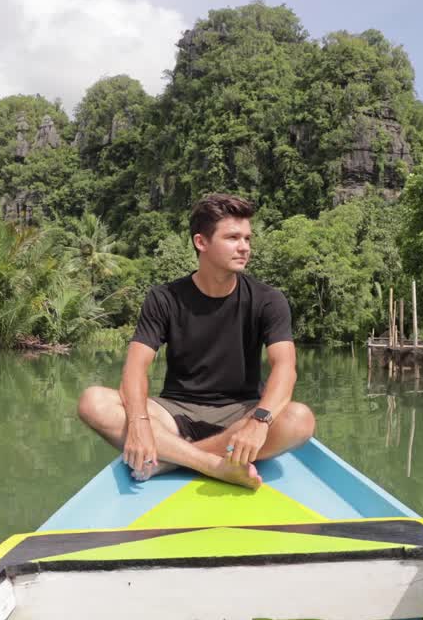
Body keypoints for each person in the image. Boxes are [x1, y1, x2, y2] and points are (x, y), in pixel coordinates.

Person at [77, 193, 316, 489]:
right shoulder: (164, 299)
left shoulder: (268, 300)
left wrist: (259, 421)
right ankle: (214, 465)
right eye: (232, 238)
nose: (244, 247)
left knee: (300, 419)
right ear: (201, 242)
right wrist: (139, 424)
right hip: (174, 414)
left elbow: (285, 368)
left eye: (247, 239)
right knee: (93, 401)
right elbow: (135, 369)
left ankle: (170, 459)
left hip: (241, 413)